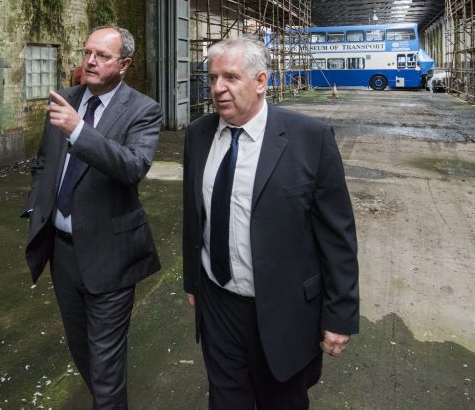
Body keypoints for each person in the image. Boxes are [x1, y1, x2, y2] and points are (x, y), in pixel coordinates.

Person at [182, 35, 359, 409]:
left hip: (284, 309)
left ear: (261, 82)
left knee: (282, 400)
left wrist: (340, 314)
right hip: (218, 303)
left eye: (230, 77)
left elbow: (337, 236)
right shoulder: (198, 135)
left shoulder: (310, 139)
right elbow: (193, 215)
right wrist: (192, 280)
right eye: (212, 78)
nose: (218, 88)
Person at [24, 25, 163, 409]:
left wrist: (79, 130)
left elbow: (133, 166)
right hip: (64, 254)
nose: (91, 61)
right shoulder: (65, 99)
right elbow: (42, 163)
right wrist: (38, 206)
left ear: (125, 64)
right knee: (82, 352)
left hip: (110, 255)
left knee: (105, 368)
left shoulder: (142, 110)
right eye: (88, 52)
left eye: (102, 56)